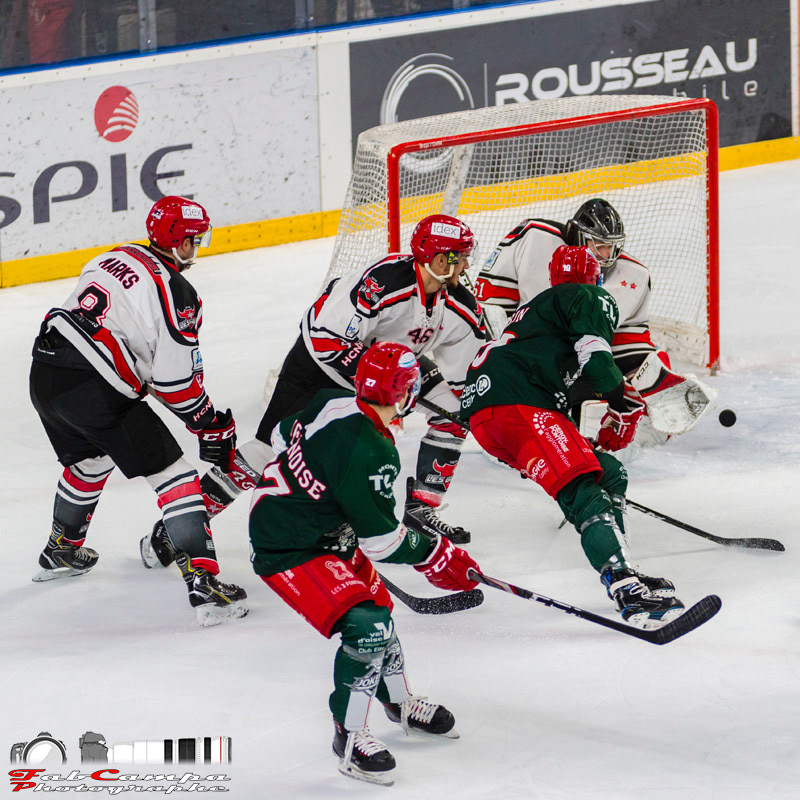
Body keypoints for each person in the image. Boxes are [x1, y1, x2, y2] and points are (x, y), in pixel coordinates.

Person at [139, 212, 485, 571]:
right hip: (320, 368)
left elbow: (470, 374)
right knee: (264, 453)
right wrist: (380, 379)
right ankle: (177, 527)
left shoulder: (459, 304)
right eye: (459, 257)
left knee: (454, 415)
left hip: (391, 367)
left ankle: (422, 509)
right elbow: (325, 338)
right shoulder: (382, 282)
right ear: (439, 260)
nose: (465, 266)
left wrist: (485, 409)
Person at [249, 341, 481, 786]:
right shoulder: (372, 452)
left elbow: (281, 434)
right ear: (404, 393)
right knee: (367, 626)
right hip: (290, 545)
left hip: (323, 529)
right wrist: (437, 554)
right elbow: (382, 543)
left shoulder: (331, 401)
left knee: (381, 612)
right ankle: (349, 736)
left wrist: (317, 485)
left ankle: (399, 703)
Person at [29, 195, 248, 627]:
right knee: (176, 477)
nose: (196, 247)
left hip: (45, 370)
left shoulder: (115, 255)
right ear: (180, 241)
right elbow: (175, 382)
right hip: (95, 387)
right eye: (194, 239)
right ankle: (204, 585)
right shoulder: (178, 291)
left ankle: (61, 549)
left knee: (91, 459)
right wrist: (208, 422)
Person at [461, 244, 685, 629]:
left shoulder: (535, 312)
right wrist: (622, 402)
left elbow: (567, 382)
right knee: (583, 490)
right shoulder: (588, 297)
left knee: (607, 471)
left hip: (490, 416)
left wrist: (611, 406)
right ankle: (625, 587)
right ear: (596, 278)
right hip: (521, 407)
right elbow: (596, 361)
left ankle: (623, 566)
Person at [474, 198, 716, 445]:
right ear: (578, 236)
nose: (607, 255)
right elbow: (491, 304)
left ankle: (625, 409)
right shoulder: (534, 236)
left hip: (575, 362)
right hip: (522, 353)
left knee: (613, 383)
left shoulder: (634, 275)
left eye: (611, 247)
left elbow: (626, 342)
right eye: (600, 246)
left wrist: (643, 376)